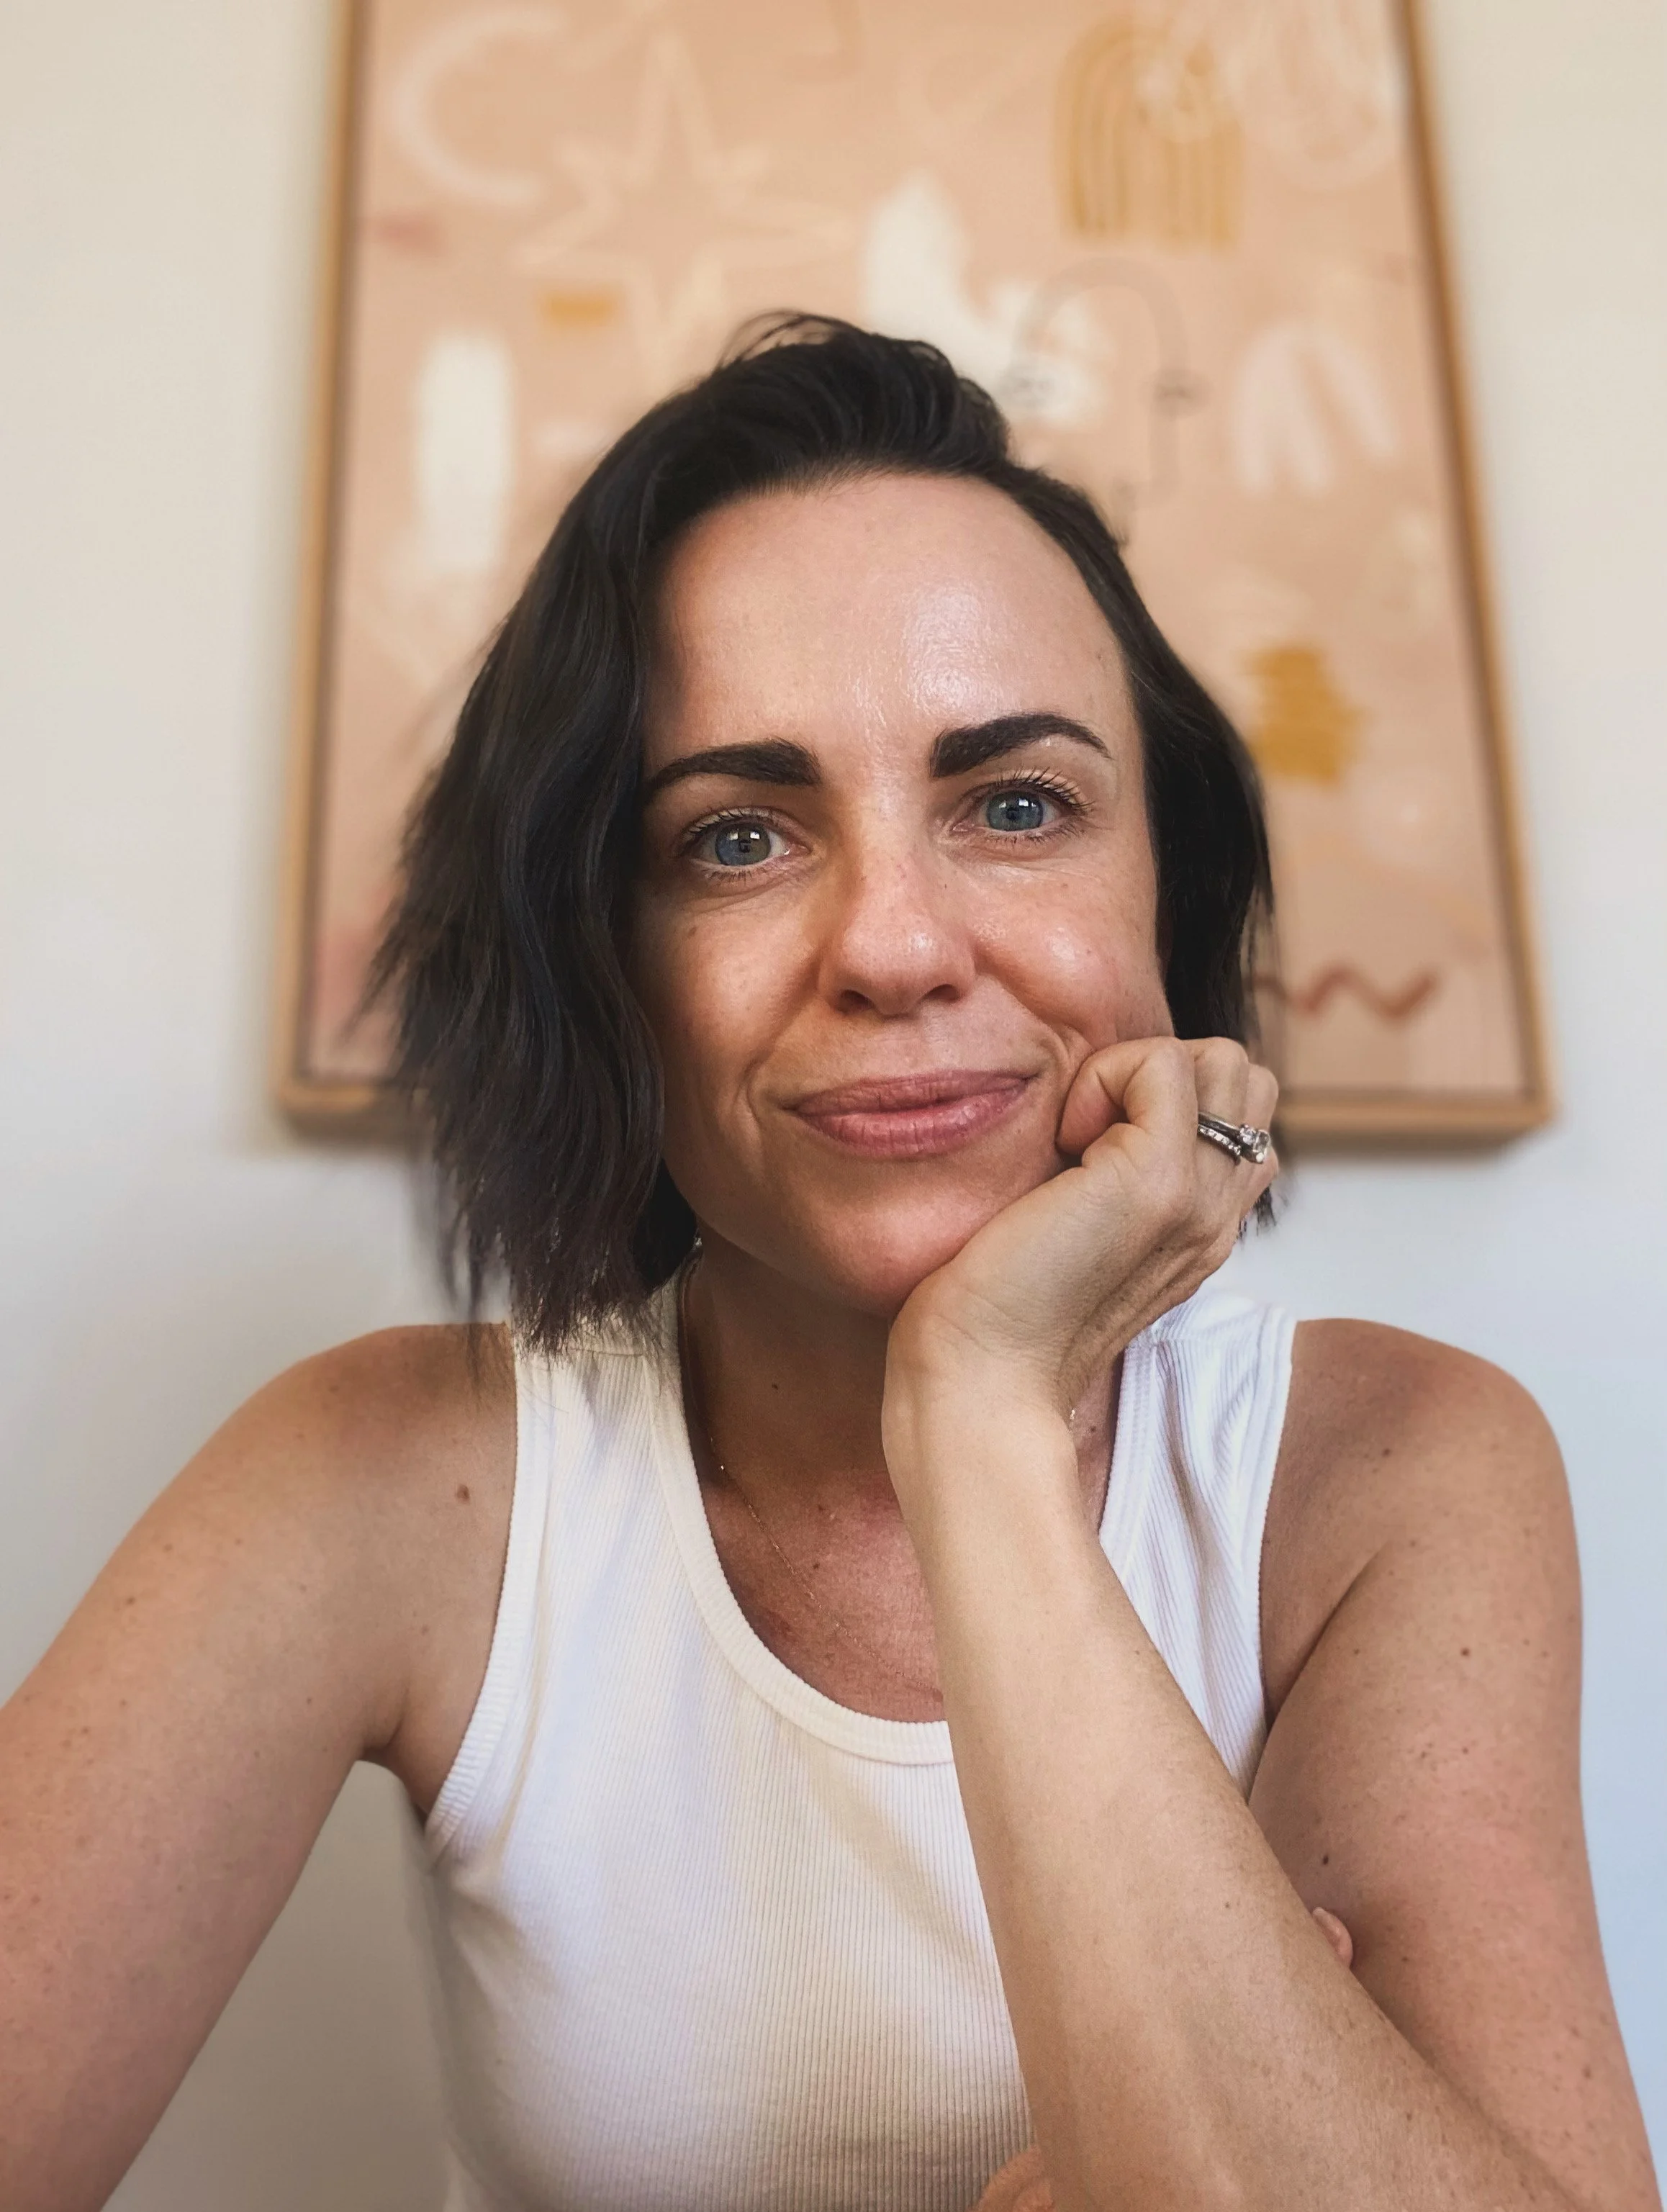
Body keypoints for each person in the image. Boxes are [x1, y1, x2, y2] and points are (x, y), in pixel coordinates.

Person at [0, 320, 1656, 2212]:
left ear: (1164, 896)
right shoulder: (390, 1473)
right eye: (734, 836)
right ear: (598, 960)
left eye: (1013, 804)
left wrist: (976, 1429)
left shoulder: (1393, 1466)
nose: (893, 943)